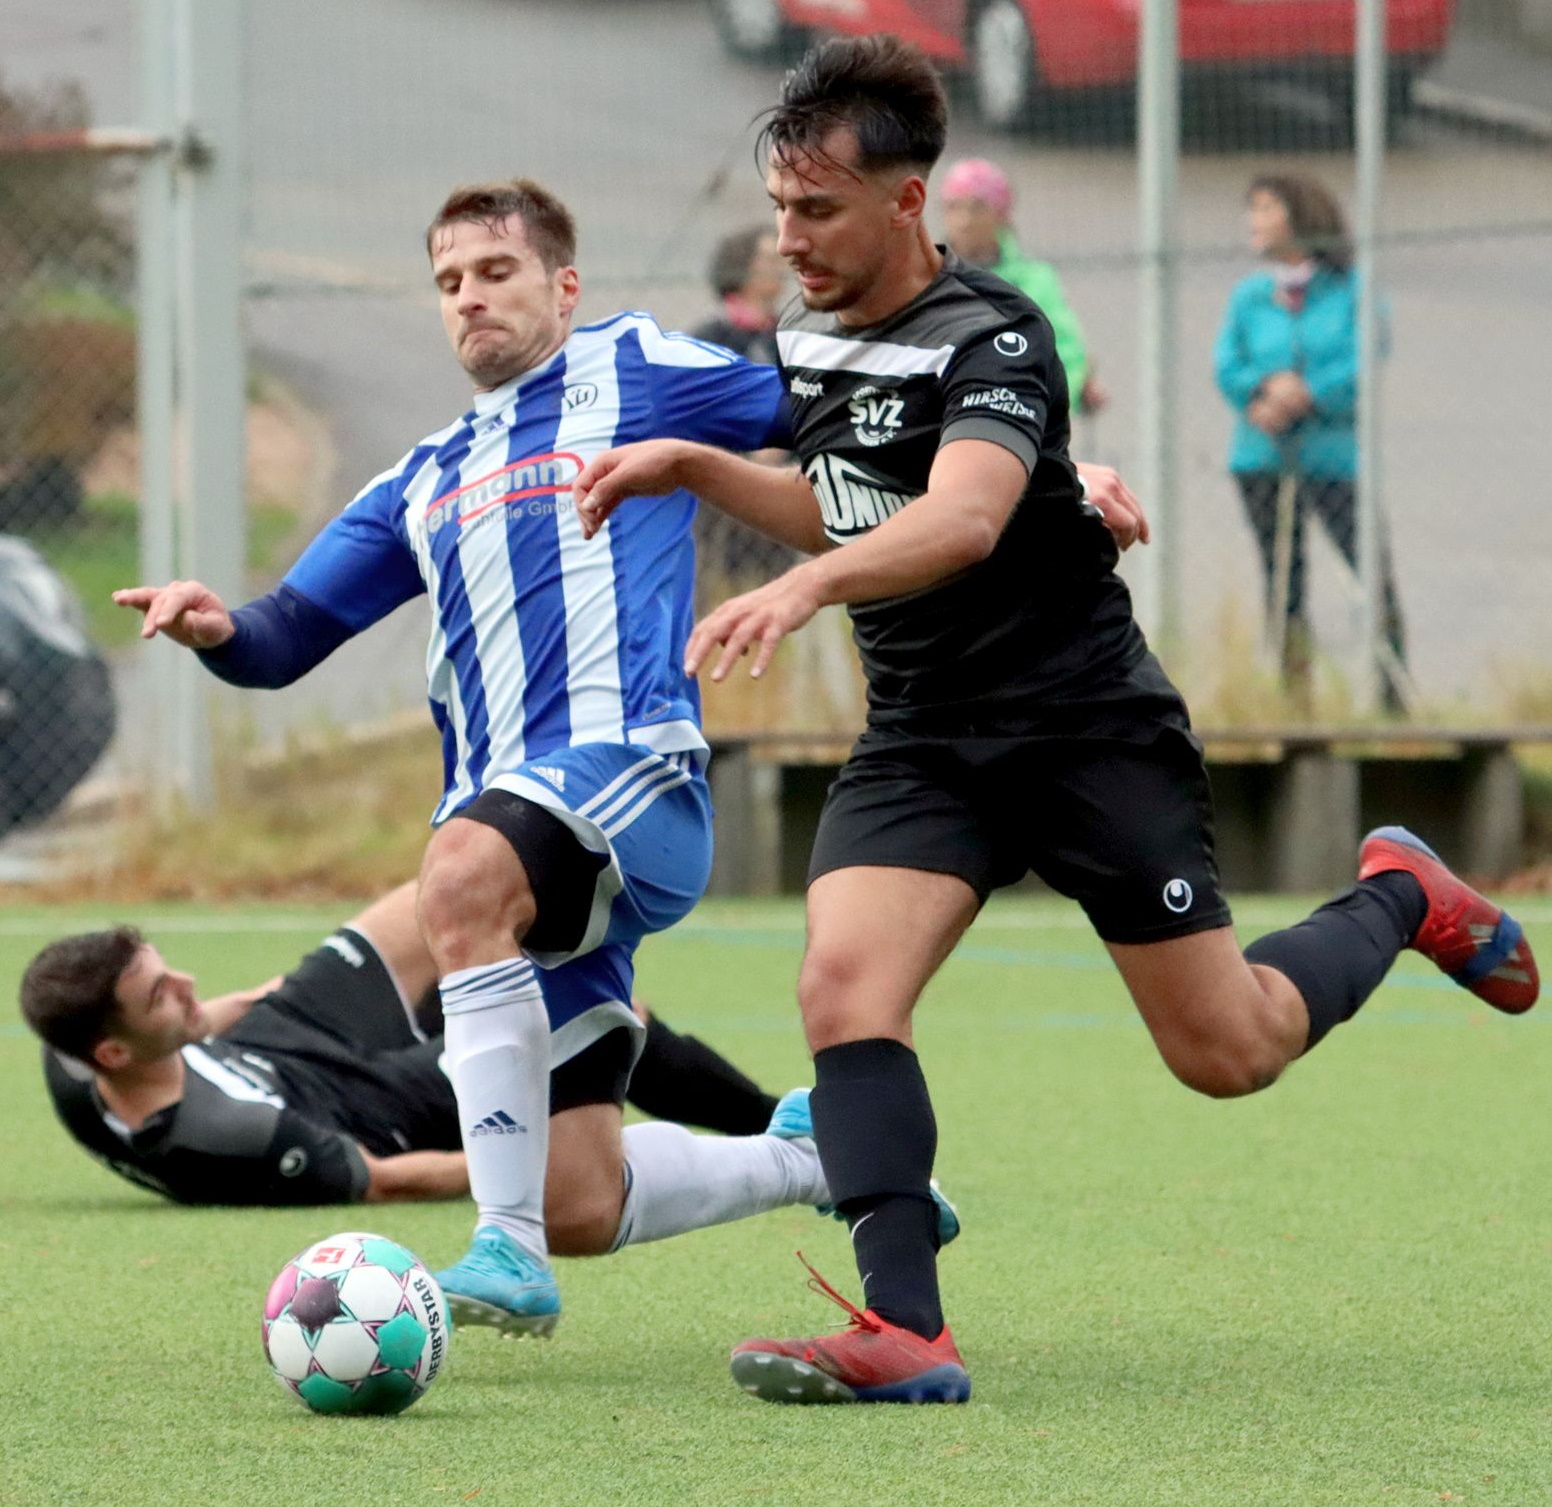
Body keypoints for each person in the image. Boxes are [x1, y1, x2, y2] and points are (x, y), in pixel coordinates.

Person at [572, 35, 1539, 1405]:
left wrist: (806, 593)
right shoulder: (806, 330)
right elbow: (843, 495)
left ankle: (1397, 891)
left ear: (908, 202)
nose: (789, 241)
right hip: (922, 738)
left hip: (1083, 731)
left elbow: (959, 520)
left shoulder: (998, 334)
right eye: (781, 211)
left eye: (818, 211)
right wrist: (699, 467)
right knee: (843, 987)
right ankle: (907, 1327)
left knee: (1232, 1048)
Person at [110, 179, 819, 1339]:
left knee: (455, 872)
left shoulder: (636, 367)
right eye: (449, 282)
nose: (470, 299)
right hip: (533, 861)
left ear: (563, 285)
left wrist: (1015, 478)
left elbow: (831, 415)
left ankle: (502, 1249)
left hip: (629, 775)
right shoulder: (423, 475)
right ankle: (809, 1156)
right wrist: (213, 627)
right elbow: (286, 634)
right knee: (583, 1197)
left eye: (496, 272)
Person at [21, 879, 803, 1212]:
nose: (188, 982)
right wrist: (534, 1156)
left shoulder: (72, 1054)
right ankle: (785, 1129)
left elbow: (201, 1019)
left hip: (287, 1031)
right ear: (116, 1053)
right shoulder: (230, 1138)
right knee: (595, 1013)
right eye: (163, 993)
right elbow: (385, 1180)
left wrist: (247, 1002)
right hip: (373, 1101)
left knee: (451, 894)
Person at [1214, 169, 1409, 709]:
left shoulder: (1352, 291)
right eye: (1250, 208)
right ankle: (1293, 699)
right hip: (1262, 457)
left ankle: (1395, 698)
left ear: (1300, 216)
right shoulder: (1251, 295)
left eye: (1265, 208)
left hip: (1332, 459)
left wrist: (1307, 393)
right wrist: (1261, 392)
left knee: (1372, 571)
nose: (1253, 220)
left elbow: (1363, 360)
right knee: (1283, 582)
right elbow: (1227, 361)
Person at [939, 156, 1107, 416]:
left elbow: (1066, 350)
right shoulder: (925, 276)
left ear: (1002, 214)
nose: (964, 221)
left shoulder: (1035, 279)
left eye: (977, 207)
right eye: (953, 207)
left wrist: (1060, 400)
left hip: (1024, 418)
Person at [692, 226, 788, 366]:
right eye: (771, 260)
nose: (782, 268)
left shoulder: (785, 333)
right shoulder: (711, 338)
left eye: (782, 259)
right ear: (743, 267)